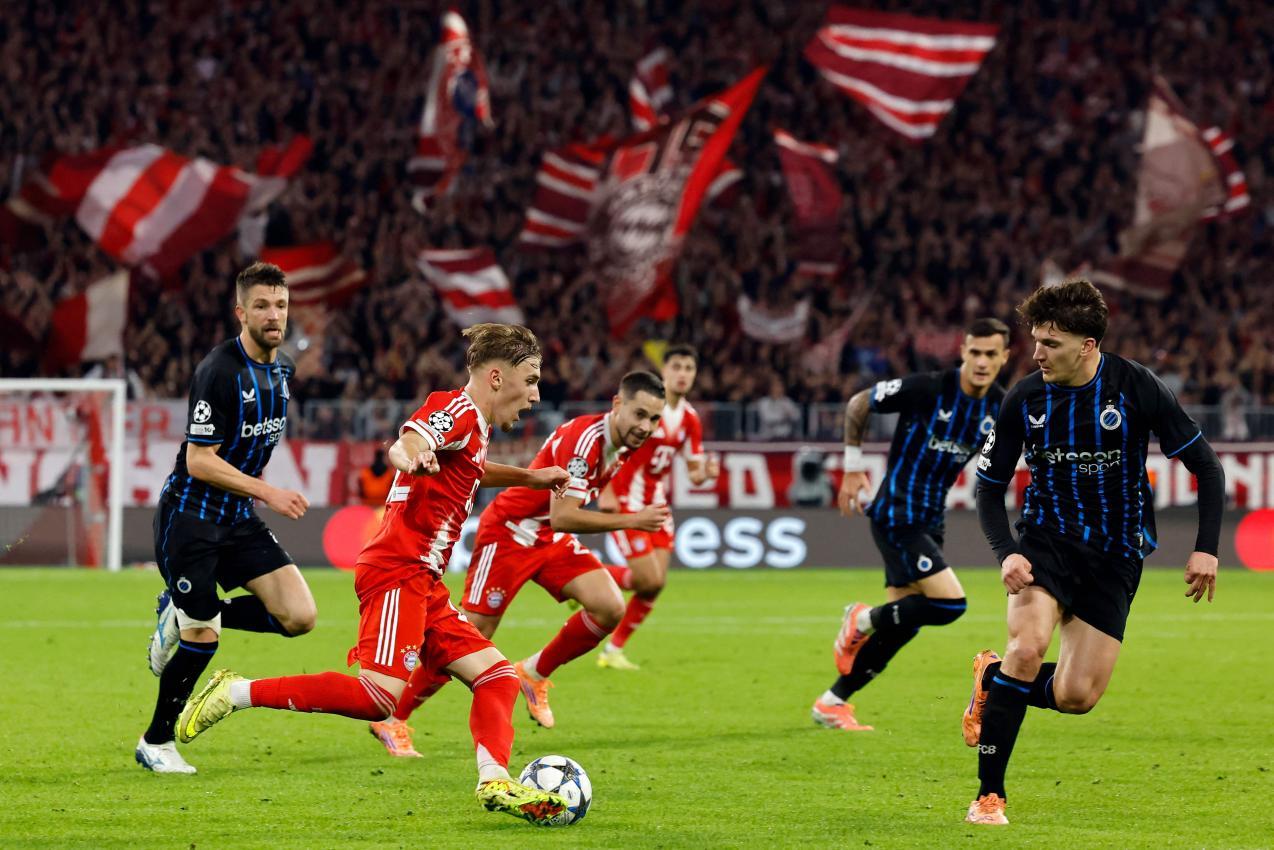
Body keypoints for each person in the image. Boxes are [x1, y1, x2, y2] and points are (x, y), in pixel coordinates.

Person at [174, 324, 578, 826]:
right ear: (497, 377)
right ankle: (236, 692)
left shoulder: (476, 424)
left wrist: (530, 476)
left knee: (497, 678)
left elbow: (471, 466)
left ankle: (494, 780)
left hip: (423, 580)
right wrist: (411, 456)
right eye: (531, 379)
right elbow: (406, 442)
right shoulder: (453, 409)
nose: (537, 394)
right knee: (377, 697)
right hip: (397, 569)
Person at [964, 280, 1224, 826]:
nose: (1036, 353)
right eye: (1035, 340)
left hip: (1114, 553)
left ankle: (993, 680)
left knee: (1077, 695)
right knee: (1028, 646)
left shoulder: (1136, 387)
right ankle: (989, 796)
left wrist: (1206, 550)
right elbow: (987, 486)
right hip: (1046, 543)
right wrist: (1006, 553)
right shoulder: (1025, 397)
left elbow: (1208, 466)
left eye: (1050, 343)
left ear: (1088, 345)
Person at [369, 371, 668, 753]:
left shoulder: (623, 444)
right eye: (640, 415)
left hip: (546, 537)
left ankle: (533, 672)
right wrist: (633, 521)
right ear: (617, 405)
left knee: (609, 607)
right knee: (470, 638)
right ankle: (393, 717)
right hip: (509, 534)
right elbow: (565, 516)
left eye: (654, 419)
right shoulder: (586, 441)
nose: (646, 426)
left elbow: (558, 518)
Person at [136, 262, 315, 776]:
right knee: (203, 638)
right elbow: (199, 459)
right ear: (241, 312)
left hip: (236, 519)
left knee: (299, 617)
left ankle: (184, 610)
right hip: (190, 520)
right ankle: (156, 742)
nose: (273, 314)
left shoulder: (283, 372)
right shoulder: (219, 371)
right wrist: (269, 493)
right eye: (261, 305)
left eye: (280, 304)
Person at [812, 317, 1011, 732]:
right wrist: (852, 469)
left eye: (991, 354)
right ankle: (861, 618)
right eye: (975, 352)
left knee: (902, 626)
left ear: (1004, 358)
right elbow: (858, 404)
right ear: (963, 352)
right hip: (896, 513)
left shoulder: (1001, 407)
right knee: (950, 604)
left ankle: (832, 702)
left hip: (930, 520)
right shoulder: (929, 388)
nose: (981, 361)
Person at [594, 344, 719, 670]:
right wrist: (605, 488)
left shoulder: (691, 419)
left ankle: (612, 651)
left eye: (688, 368)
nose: (682, 374)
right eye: (676, 366)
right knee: (647, 579)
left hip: (657, 504)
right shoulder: (645, 408)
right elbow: (609, 440)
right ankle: (580, 576)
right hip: (626, 502)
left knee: (655, 584)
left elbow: (693, 472)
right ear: (664, 371)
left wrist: (705, 474)